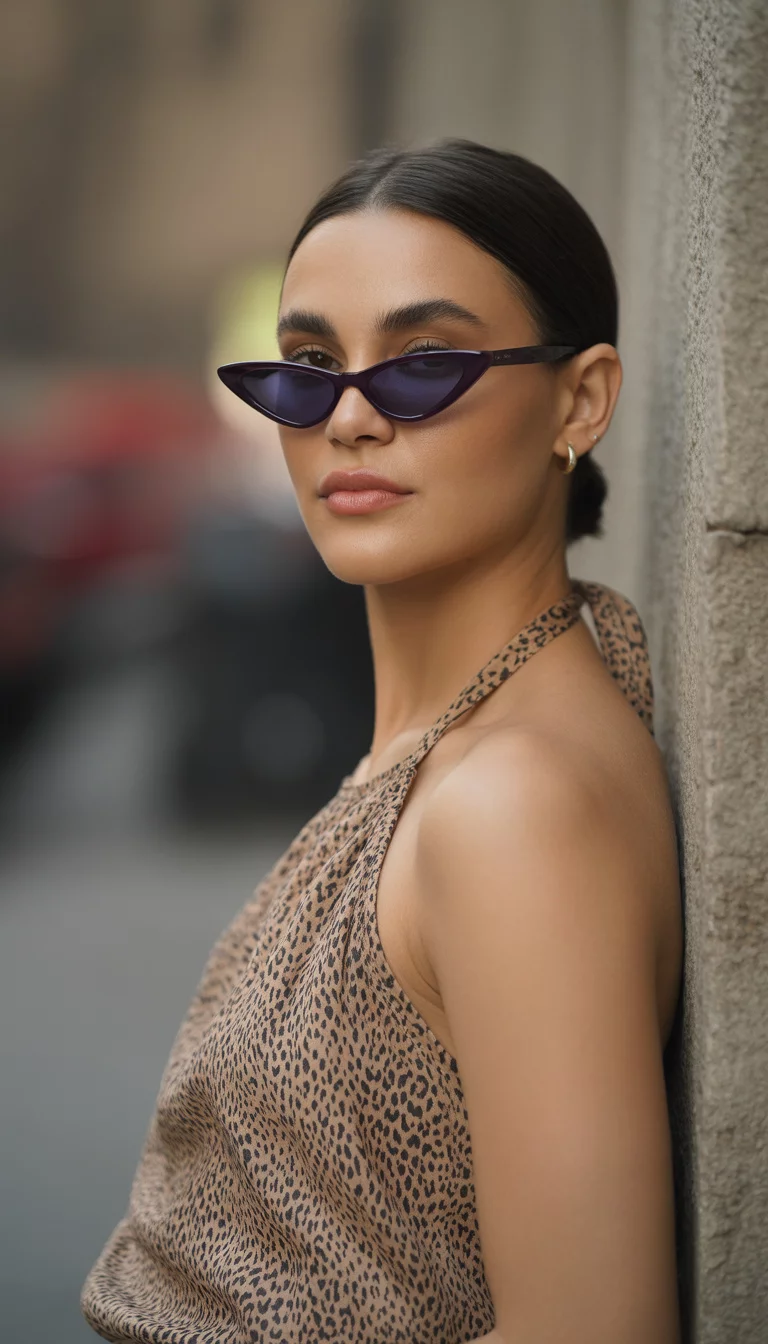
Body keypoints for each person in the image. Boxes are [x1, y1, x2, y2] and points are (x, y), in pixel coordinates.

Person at [81, 139, 683, 1344]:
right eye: (308, 366)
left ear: (581, 399)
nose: (348, 417)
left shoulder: (512, 807)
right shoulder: (473, 739)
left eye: (425, 365)